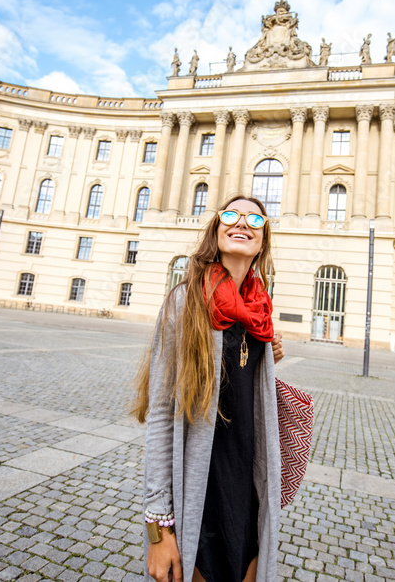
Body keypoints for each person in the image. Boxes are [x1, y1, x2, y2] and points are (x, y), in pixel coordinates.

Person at [132, 195, 285, 582]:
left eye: (255, 218)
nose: (243, 223)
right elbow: (163, 414)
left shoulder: (260, 312)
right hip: (200, 494)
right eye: (230, 215)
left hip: (247, 494)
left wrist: (265, 364)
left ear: (263, 240)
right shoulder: (184, 302)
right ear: (215, 232)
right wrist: (158, 531)